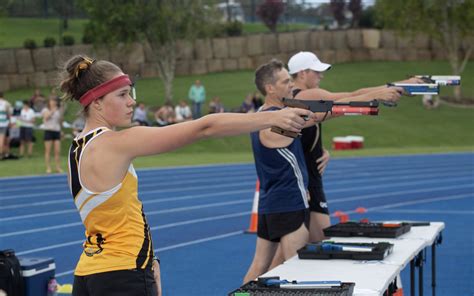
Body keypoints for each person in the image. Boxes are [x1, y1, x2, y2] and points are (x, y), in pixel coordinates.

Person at [59, 55, 313, 296]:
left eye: (130, 93)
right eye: (123, 95)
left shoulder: (76, 149)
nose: (131, 102)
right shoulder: (115, 143)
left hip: (87, 272)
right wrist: (271, 117)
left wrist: (150, 258)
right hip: (122, 272)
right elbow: (204, 127)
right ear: (97, 102)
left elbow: (112, 219)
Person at [243, 59, 319, 284]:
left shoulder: (260, 114)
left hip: (270, 202)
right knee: (296, 272)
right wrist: (349, 107)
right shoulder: (280, 119)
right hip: (289, 201)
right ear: (270, 88)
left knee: (261, 268)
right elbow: (315, 117)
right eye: (286, 81)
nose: (291, 86)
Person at [42, 98, 63, 173]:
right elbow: (45, 118)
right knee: (48, 151)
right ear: (49, 102)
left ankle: (58, 167)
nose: (53, 102)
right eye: (52, 101)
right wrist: (52, 111)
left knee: (57, 151)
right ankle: (48, 167)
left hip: (56, 131)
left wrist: (61, 131)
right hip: (48, 131)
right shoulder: (45, 110)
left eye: (54, 101)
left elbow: (59, 121)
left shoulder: (58, 110)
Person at [0, 92, 12, 160]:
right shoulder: (6, 103)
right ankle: (1, 154)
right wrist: (10, 122)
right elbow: (9, 114)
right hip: (3, 124)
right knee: (1, 140)